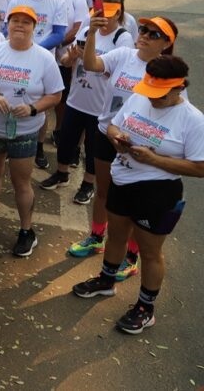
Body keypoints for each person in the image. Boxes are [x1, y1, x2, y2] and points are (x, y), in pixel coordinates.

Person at [71, 56, 203, 334]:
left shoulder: (193, 120)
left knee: (150, 252)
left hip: (158, 193)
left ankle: (146, 308)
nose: (153, 99)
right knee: (116, 236)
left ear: (179, 88)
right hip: (123, 180)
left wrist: (155, 160)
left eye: (161, 95)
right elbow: (114, 125)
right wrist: (118, 139)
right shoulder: (140, 97)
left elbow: (200, 167)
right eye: (151, 92)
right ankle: (106, 282)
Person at [66, 15, 178, 275]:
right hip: (106, 133)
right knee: (104, 192)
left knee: (135, 204)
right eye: (143, 30)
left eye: (153, 34)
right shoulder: (123, 55)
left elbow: (174, 112)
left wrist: (153, 149)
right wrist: (92, 34)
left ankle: (132, 255)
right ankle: (96, 238)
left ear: (166, 44)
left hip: (141, 148)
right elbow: (92, 64)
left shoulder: (169, 72)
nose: (145, 35)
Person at [0, 6, 64, 257]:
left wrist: (33, 108)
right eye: (15, 21)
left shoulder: (44, 58)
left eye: (26, 22)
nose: (20, 26)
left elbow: (55, 95)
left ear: (35, 28)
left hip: (25, 131)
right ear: (7, 23)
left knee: (20, 181)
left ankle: (27, 230)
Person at [41, 0, 132, 201]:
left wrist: (95, 63)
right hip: (76, 98)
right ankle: (61, 173)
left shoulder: (122, 38)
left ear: (118, 14)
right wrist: (72, 57)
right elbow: (65, 61)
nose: (102, 21)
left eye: (107, 16)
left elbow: (121, 75)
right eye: (98, 16)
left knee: (93, 147)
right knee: (66, 140)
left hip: (100, 105)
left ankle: (88, 184)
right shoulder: (85, 31)